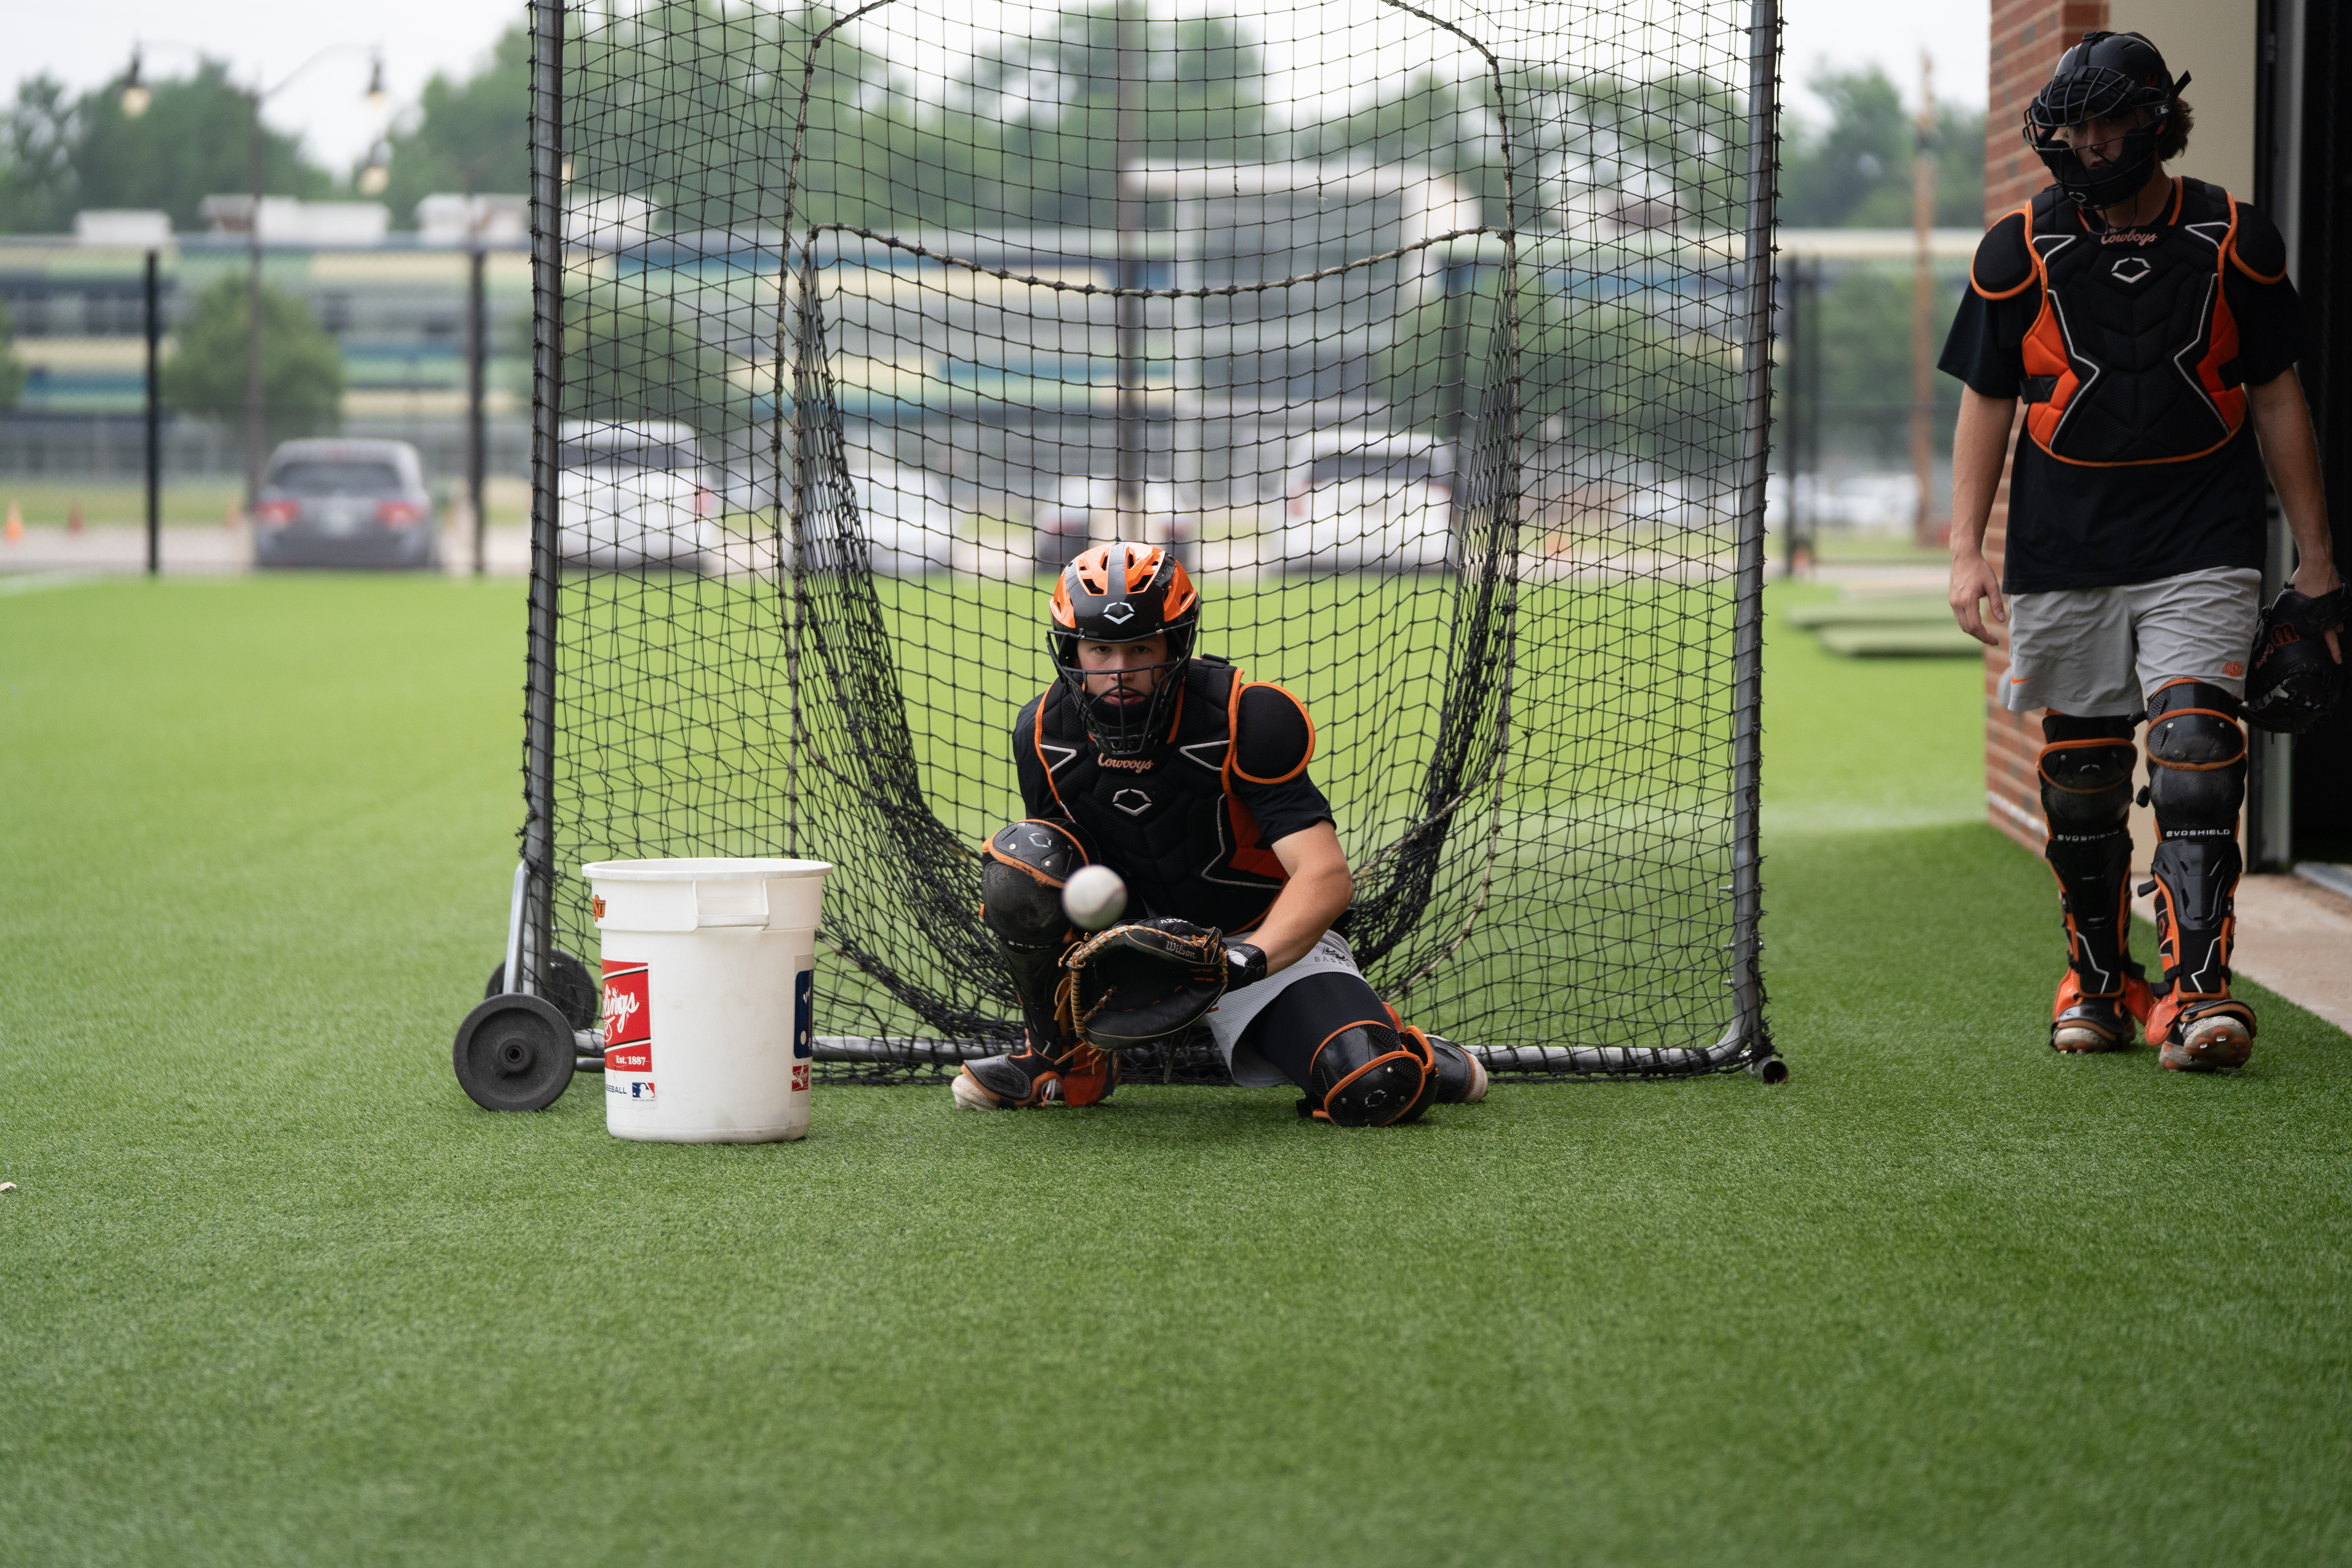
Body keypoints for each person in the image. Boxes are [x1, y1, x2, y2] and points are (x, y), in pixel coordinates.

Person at [1941, 31, 2342, 1070]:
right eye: (2071, 125)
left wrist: (2318, 561)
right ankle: (2097, 975)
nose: (2087, 141)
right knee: (2080, 776)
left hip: (2200, 537)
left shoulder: (2234, 240)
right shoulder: (2016, 250)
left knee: (2198, 755)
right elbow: (1987, 402)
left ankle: (2197, 994)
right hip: (2060, 546)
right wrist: (1963, 551)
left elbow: (2277, 396)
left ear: (2157, 121)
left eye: (2107, 122)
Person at [953, 541, 1488, 1124]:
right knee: (1022, 863)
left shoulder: (1248, 717)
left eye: (1140, 647)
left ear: (1176, 643)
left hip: (1261, 949)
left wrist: (1241, 961)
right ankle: (1064, 1060)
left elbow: (1326, 877)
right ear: (1072, 651)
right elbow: (1062, 874)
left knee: (1376, 1086)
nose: (1120, 670)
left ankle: (1403, 1044)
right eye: (1100, 648)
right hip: (1130, 957)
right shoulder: (1041, 732)